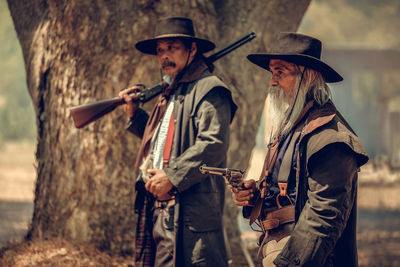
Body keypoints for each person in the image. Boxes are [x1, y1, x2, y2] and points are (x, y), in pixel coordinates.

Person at [231, 32, 368, 266]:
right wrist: (254, 197)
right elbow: (289, 194)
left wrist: (287, 263)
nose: (272, 81)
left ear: (309, 76)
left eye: (281, 72)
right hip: (275, 247)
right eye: (272, 73)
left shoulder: (330, 138)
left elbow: (324, 218)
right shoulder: (291, 128)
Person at [119, 17, 237, 267]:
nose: (164, 56)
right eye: (160, 51)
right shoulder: (172, 91)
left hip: (188, 214)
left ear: (192, 49)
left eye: (171, 48)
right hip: (158, 210)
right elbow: (165, 143)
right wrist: (134, 115)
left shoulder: (209, 89)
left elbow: (213, 144)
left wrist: (171, 176)